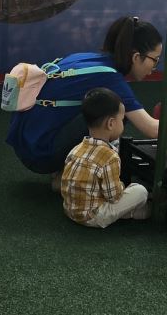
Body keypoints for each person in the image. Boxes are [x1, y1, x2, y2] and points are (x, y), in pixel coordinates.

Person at [6, 15, 167, 174]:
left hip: (26, 143)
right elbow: (151, 128)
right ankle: (76, 171)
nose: (154, 67)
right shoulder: (110, 78)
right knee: (117, 112)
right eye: (154, 60)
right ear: (136, 57)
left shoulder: (90, 58)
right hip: (39, 156)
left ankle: (66, 170)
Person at [61, 88, 151, 228]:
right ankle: (133, 212)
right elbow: (114, 196)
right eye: (122, 120)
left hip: (70, 210)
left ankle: (129, 212)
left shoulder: (77, 149)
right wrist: (123, 187)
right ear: (111, 123)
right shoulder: (110, 156)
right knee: (140, 191)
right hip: (93, 217)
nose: (122, 124)